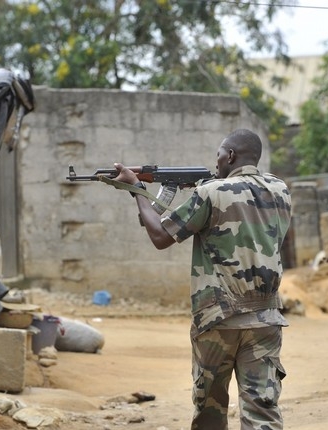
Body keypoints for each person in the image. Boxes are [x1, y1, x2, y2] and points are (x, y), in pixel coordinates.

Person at [113, 128, 292, 429]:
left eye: (219, 155)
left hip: (218, 319)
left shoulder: (210, 193)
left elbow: (159, 235)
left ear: (231, 155)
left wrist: (137, 190)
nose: (217, 160)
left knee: (210, 410)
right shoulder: (280, 189)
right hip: (266, 318)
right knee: (262, 408)